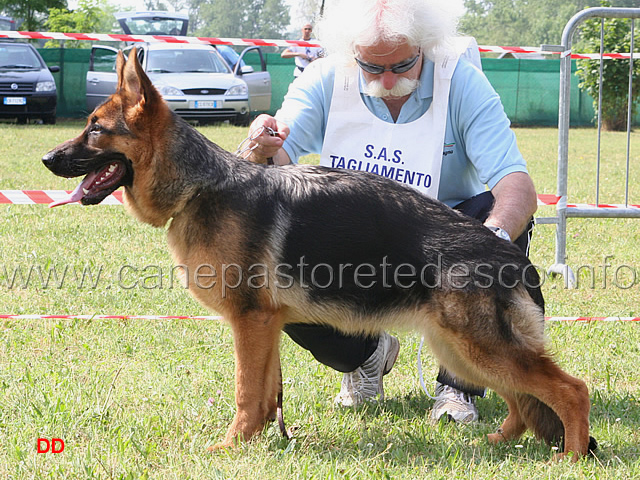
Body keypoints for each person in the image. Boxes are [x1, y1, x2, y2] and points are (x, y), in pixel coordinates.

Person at [245, 0, 538, 424]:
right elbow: (277, 163)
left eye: (403, 65)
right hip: (354, 247)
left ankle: (457, 387)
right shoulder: (324, 77)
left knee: (496, 224)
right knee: (277, 266)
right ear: (349, 55)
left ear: (426, 46)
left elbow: (517, 187)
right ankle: (367, 356)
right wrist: (261, 146)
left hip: (443, 243)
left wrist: (488, 249)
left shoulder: (463, 82)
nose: (387, 80)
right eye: (371, 67)